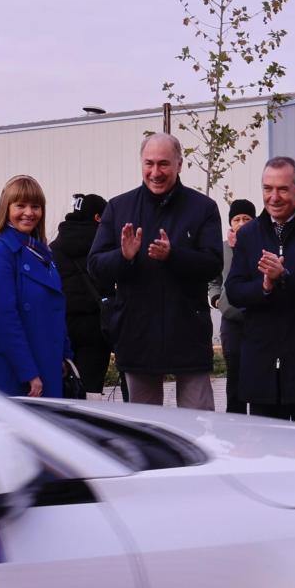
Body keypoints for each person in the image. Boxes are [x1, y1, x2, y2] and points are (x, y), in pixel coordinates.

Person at [89, 133, 223, 409]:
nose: (155, 172)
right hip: (138, 335)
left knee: (198, 425)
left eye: (164, 164)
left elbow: (213, 263)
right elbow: (95, 266)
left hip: (188, 334)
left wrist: (174, 256)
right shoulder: (119, 207)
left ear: (179, 164)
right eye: (149, 163)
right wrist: (123, 257)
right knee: (146, 432)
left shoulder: (203, 208)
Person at [224, 157, 295, 423]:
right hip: (261, 362)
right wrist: (264, 286)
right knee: (267, 451)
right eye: (267, 188)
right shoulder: (248, 235)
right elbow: (235, 289)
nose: (273, 197)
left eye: (282, 189)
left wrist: (285, 276)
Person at [0, 176, 71, 397]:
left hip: (42, 358)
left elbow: (54, 308)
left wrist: (65, 356)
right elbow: (5, 317)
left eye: (35, 206)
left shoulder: (41, 252)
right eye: (20, 205)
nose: (29, 212)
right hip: (8, 368)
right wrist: (28, 372)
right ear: (6, 209)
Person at [52, 193, 112, 396]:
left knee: (65, 385)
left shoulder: (53, 248)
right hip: (96, 326)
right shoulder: (103, 247)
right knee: (91, 388)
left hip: (63, 325)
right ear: (97, 218)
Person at [210, 198, 257, 413]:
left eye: (246, 218)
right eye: (236, 219)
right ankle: (234, 420)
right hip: (231, 319)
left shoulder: (262, 244)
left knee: (257, 374)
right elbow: (213, 279)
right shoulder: (222, 249)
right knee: (235, 373)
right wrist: (216, 298)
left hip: (257, 318)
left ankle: (258, 421)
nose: (241, 223)